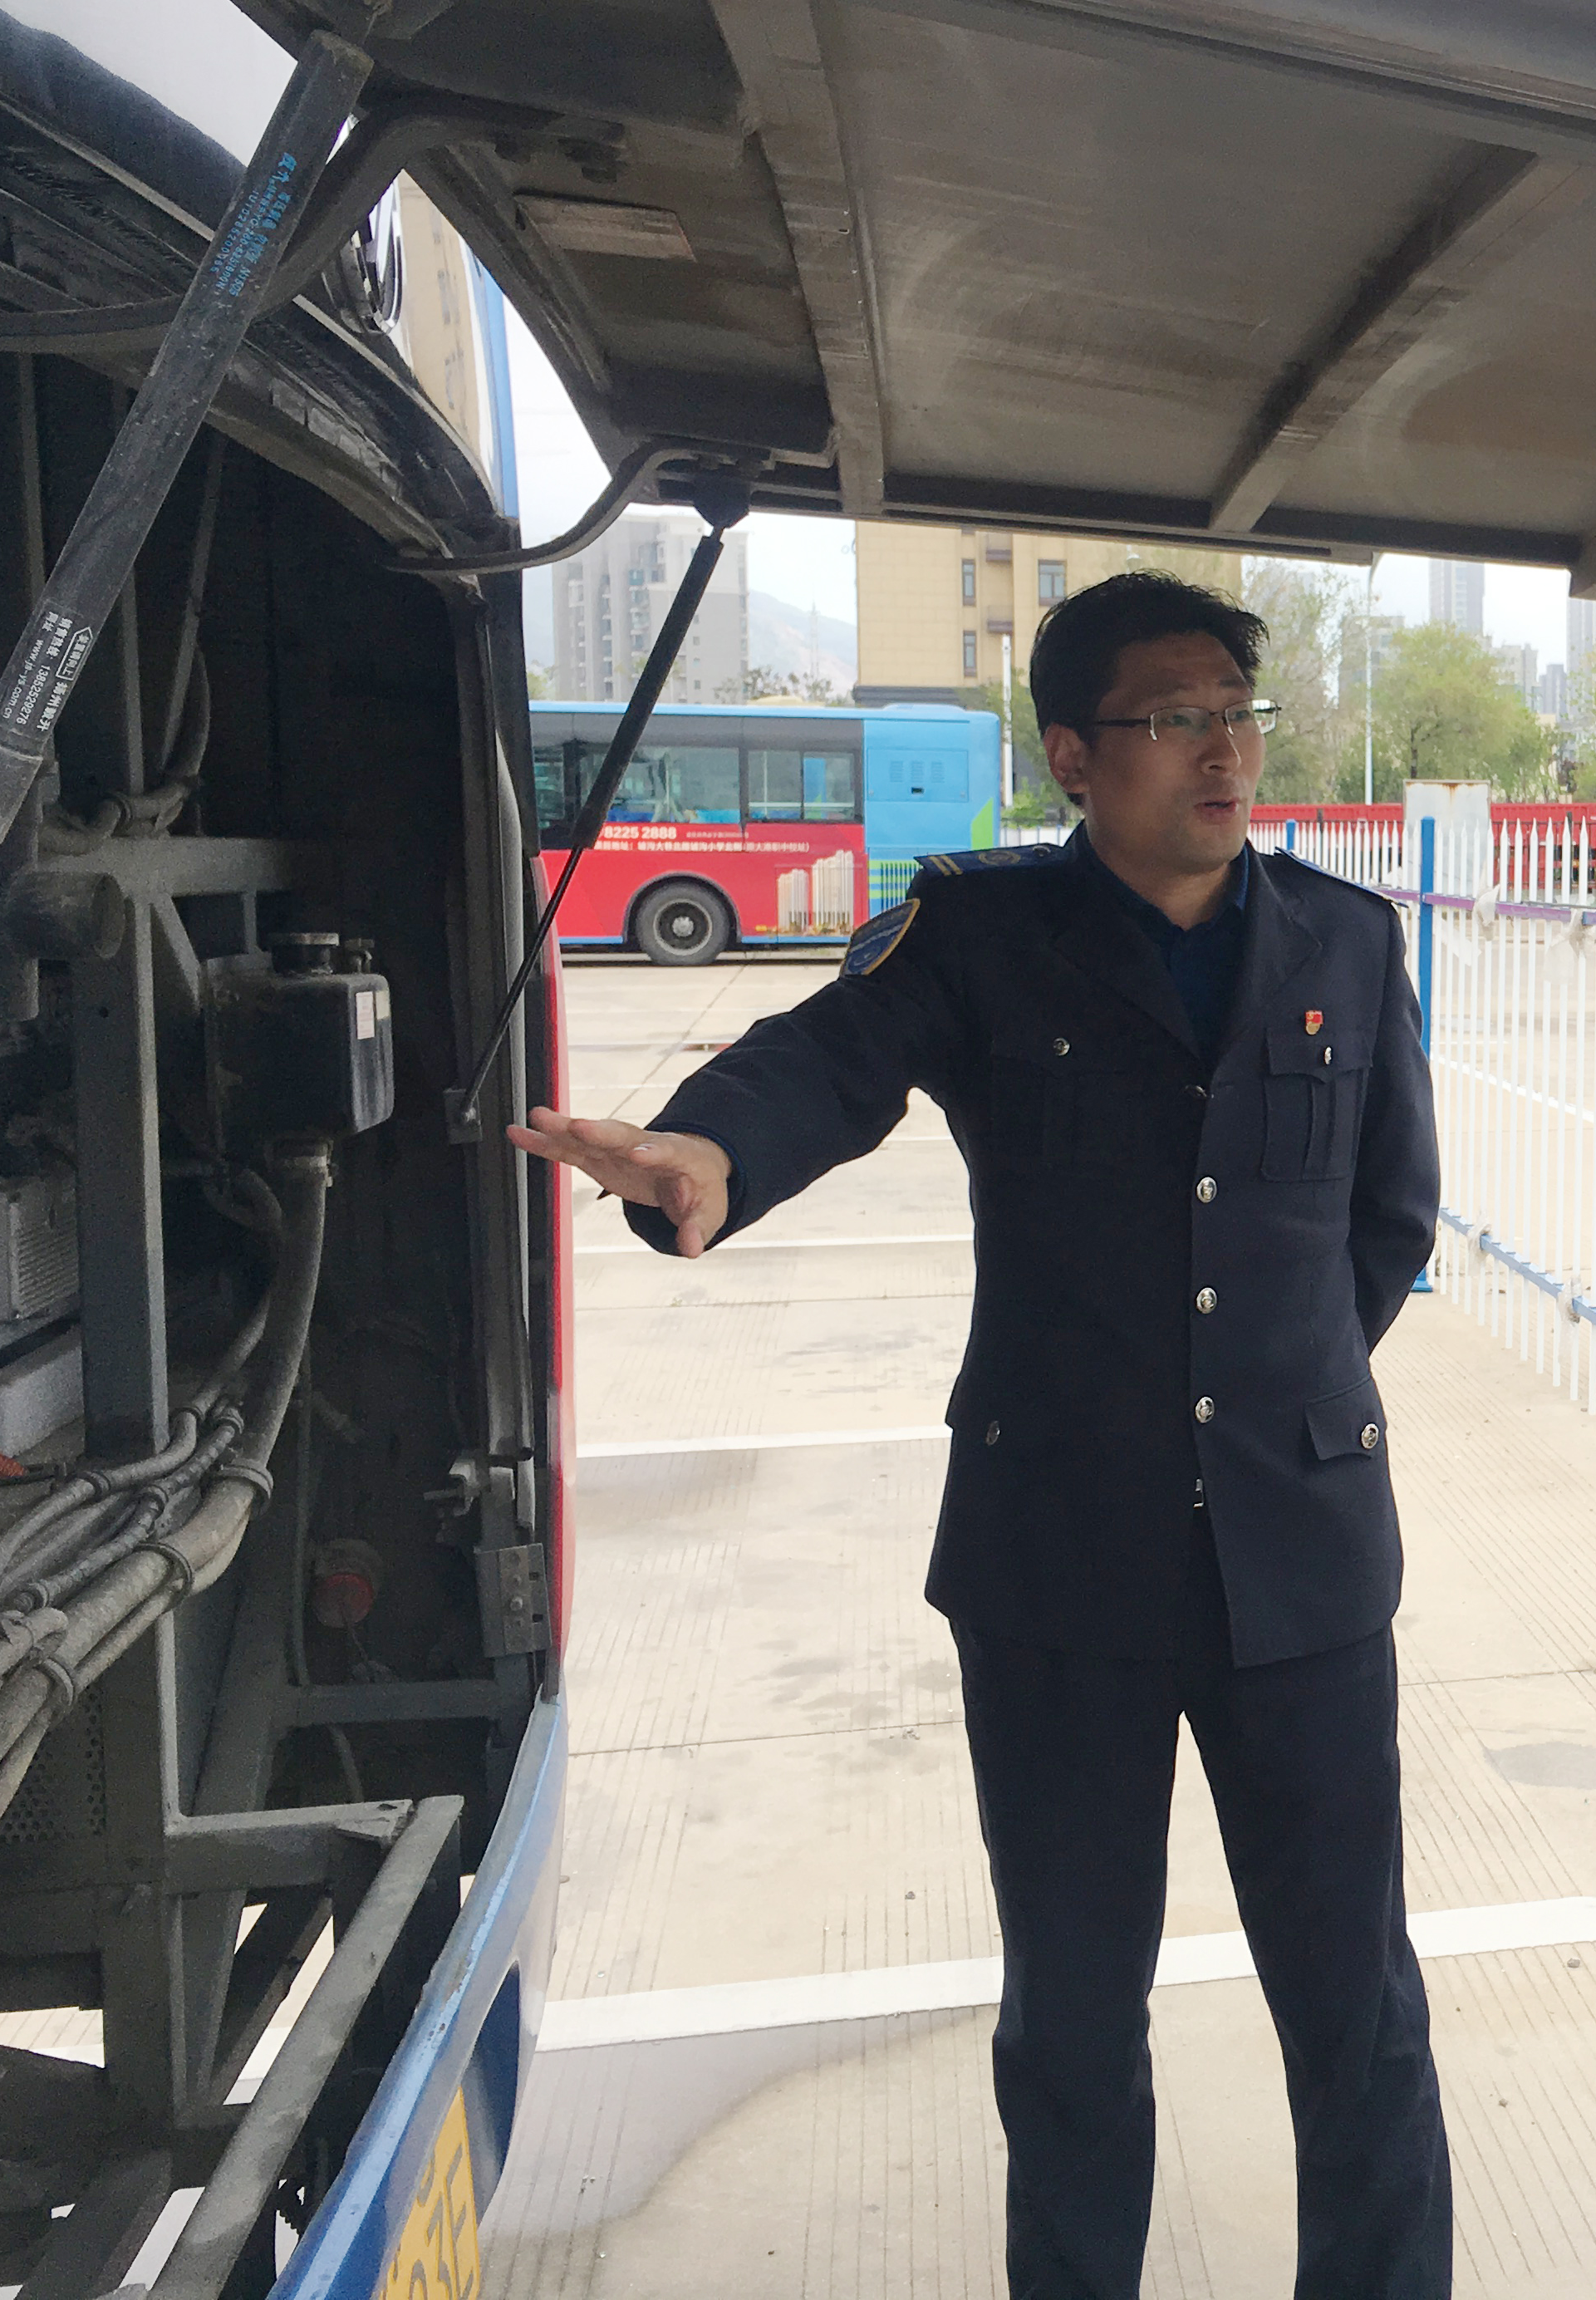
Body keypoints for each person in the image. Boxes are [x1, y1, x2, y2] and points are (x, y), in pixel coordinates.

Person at [508, 573, 1451, 2300]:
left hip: (1303, 1563)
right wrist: (706, 1156)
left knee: (1357, 2004)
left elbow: (1387, 1221)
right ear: (1075, 756)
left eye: (1240, 714)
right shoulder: (984, 934)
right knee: (1073, 2013)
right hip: (1058, 1568)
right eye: (1176, 720)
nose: (1226, 753)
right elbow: (826, 1058)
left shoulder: (1346, 938)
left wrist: (1274, 1401)